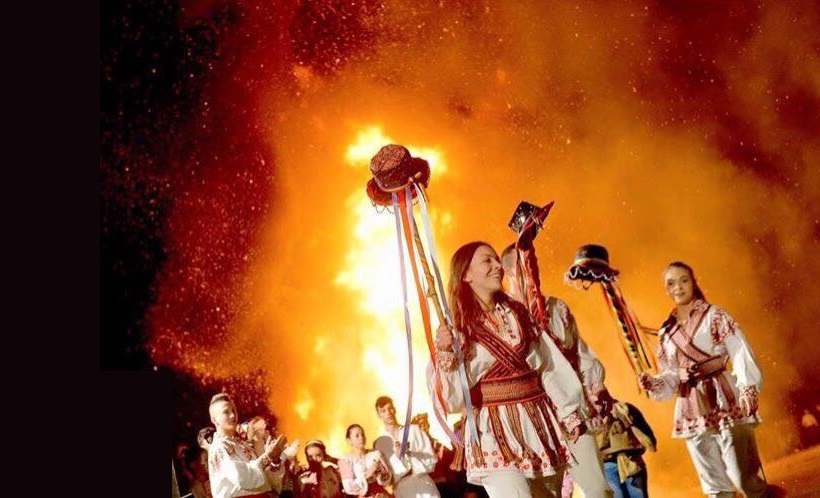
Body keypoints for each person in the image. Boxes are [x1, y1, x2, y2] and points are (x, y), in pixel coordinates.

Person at [429, 241, 588, 498]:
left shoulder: (519, 314)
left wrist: (568, 410)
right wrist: (446, 352)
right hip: (492, 433)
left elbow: (547, 365)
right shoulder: (457, 328)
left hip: (536, 426)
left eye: (496, 259)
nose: (498, 266)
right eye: (487, 261)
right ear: (466, 274)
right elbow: (452, 400)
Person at [638, 262, 767, 498]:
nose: (678, 287)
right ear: (666, 289)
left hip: (725, 396)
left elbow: (739, 349)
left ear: (693, 282)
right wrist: (654, 382)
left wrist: (748, 387)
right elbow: (671, 374)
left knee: (743, 477)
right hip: (690, 405)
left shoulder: (714, 315)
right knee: (715, 486)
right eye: (671, 283)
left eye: (683, 280)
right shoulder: (667, 331)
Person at [502, 240, 611, 498]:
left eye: (533, 262)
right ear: (506, 272)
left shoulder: (557, 308)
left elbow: (580, 354)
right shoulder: (502, 317)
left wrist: (598, 387)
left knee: (598, 488)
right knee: (547, 493)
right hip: (532, 418)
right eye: (522, 265)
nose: (530, 269)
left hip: (571, 412)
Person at [207, 393, 287, 498]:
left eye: (233, 410)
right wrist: (268, 456)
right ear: (214, 420)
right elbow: (242, 477)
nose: (233, 415)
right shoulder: (218, 447)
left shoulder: (242, 444)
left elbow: (265, 479)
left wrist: (275, 460)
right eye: (226, 412)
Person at [593, 390, 656, 498]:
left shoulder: (625, 410)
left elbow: (649, 439)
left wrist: (625, 419)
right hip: (607, 468)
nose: (595, 399)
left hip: (632, 464)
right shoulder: (587, 420)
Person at [373, 396, 440, 498]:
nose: (388, 413)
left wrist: (409, 453)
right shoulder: (380, 444)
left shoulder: (414, 430)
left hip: (422, 484)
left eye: (390, 408)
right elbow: (385, 479)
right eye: (383, 411)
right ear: (379, 415)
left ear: (394, 409)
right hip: (402, 490)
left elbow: (431, 460)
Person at [339, 424, 393, 497]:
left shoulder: (376, 454)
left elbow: (389, 476)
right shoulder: (346, 462)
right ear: (349, 440)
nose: (361, 438)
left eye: (363, 435)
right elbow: (349, 488)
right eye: (357, 436)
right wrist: (366, 475)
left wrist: (380, 473)